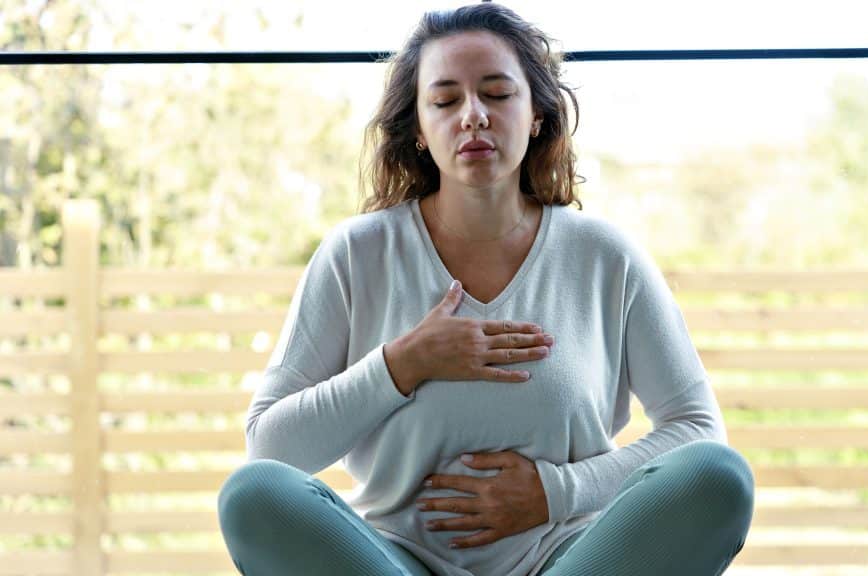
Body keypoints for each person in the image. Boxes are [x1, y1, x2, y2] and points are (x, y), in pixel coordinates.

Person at [217, 3, 754, 575]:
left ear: (536, 115)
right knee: (253, 494)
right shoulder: (357, 253)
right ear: (418, 129)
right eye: (445, 101)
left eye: (497, 94)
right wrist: (403, 364)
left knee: (719, 477)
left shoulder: (605, 256)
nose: (473, 116)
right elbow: (270, 449)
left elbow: (698, 430)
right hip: (394, 560)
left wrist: (555, 492)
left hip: (569, 558)